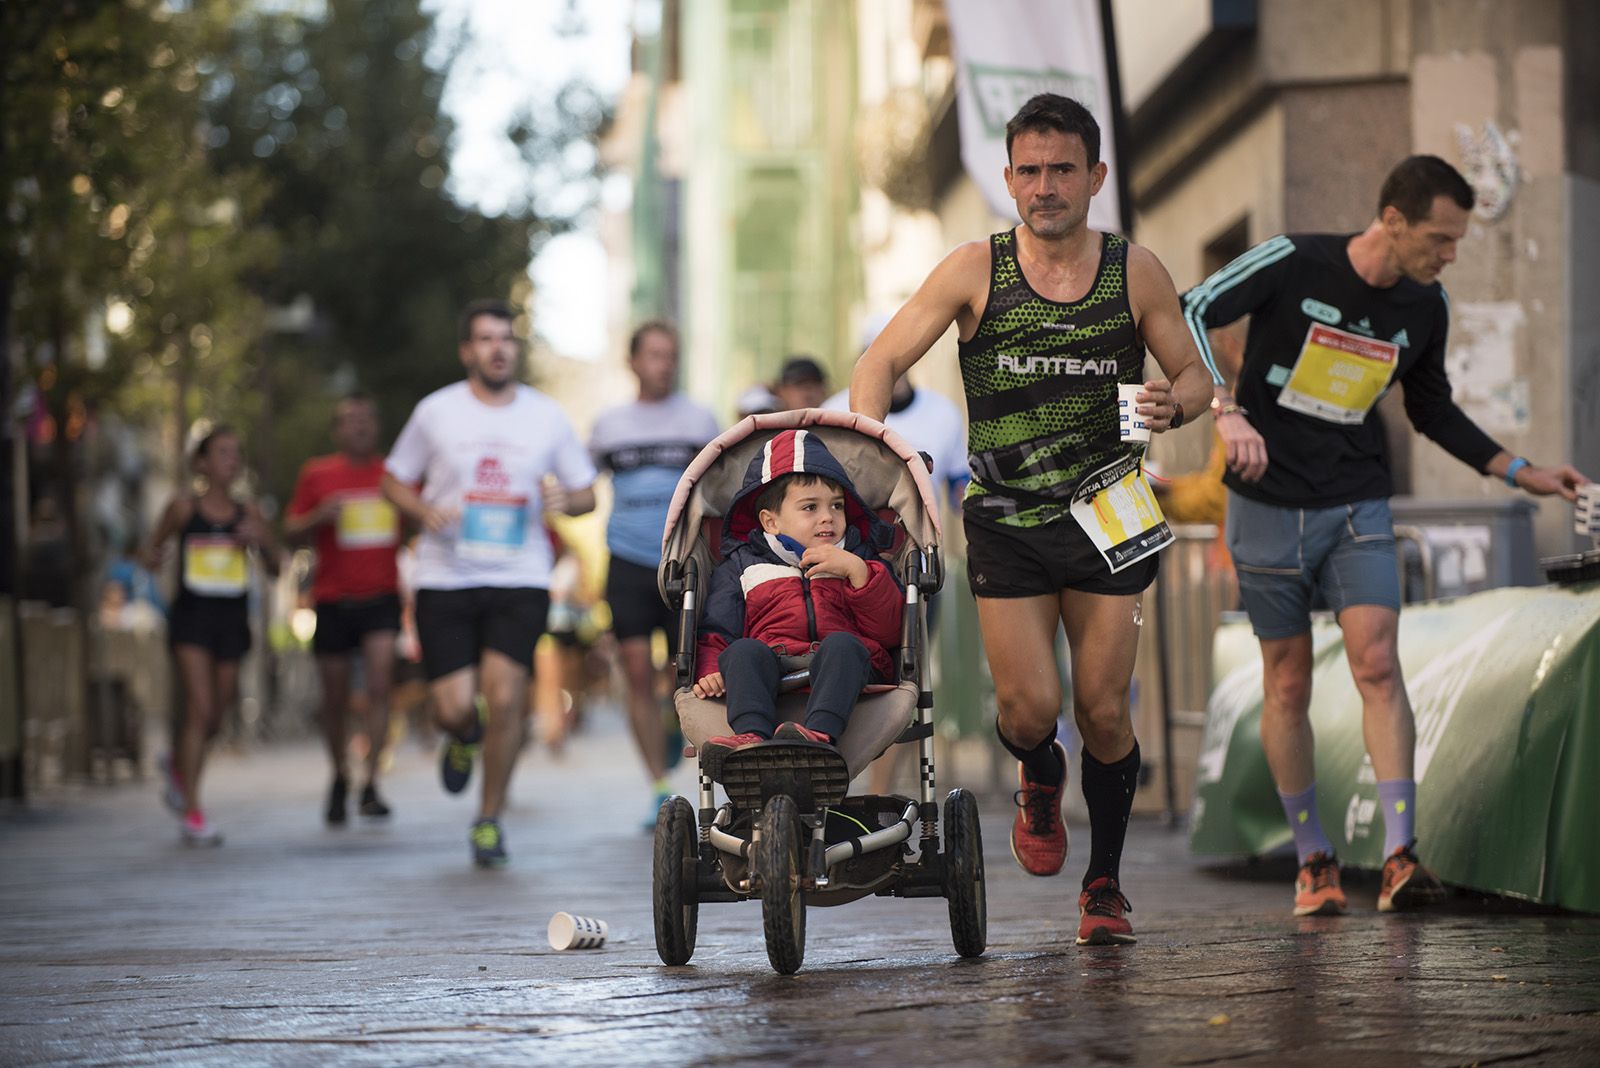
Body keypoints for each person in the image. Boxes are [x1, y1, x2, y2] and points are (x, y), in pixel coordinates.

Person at [1181, 154, 1591, 916]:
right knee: (1288, 682)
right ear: (1392, 221)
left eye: (1457, 240)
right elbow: (1192, 307)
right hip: (1265, 508)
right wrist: (1221, 407)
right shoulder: (1294, 260)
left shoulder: (1424, 306)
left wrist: (1519, 470)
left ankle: (1401, 855)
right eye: (1440, 238)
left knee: (1376, 661)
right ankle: (1313, 860)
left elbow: (1431, 408)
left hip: (1355, 505)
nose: (1450, 254)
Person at [850, 93, 1214, 946]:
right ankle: (1040, 775)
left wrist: (1176, 402)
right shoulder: (976, 267)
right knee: (1027, 712)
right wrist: (877, 458)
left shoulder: (1136, 269)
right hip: (1009, 520)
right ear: (1008, 178)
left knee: (1106, 711)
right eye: (1029, 171)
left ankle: (1105, 887)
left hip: (1112, 512)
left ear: (1095, 176)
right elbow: (880, 362)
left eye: (1062, 170)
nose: (1045, 187)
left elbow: (1195, 375)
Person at [380, 299, 597, 867]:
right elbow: (392, 479)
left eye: (507, 338)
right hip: (445, 576)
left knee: (506, 700)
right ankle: (457, 735)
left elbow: (586, 493)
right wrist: (421, 511)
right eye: (486, 339)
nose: (498, 348)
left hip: (520, 576)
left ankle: (488, 819)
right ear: (466, 351)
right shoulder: (435, 412)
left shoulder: (545, 416)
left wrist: (564, 500)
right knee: (454, 708)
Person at [691, 429, 904, 779]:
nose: (828, 517)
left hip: (845, 668)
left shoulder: (859, 559)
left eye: (837, 505)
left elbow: (891, 631)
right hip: (773, 664)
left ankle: (819, 735)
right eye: (810, 507)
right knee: (742, 651)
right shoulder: (744, 566)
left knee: (842, 645)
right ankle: (752, 738)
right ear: (770, 521)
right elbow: (718, 628)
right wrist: (710, 669)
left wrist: (859, 574)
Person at [589, 320, 720, 826]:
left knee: (684, 674)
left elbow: (719, 487)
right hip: (626, 559)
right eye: (654, 355)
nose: (663, 365)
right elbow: (583, 483)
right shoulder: (609, 425)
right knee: (637, 672)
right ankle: (658, 789)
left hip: (683, 562)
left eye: (670, 356)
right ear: (633, 361)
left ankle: (674, 723)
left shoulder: (698, 418)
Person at [141, 425, 282, 845]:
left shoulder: (250, 512)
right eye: (222, 453)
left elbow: (277, 567)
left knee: (217, 716)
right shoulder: (183, 508)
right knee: (201, 708)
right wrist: (153, 556)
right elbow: (149, 552)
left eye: (236, 453)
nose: (232, 461)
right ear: (201, 462)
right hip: (192, 619)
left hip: (232, 620)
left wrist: (260, 543)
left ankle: (179, 768)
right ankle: (193, 811)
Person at [285, 392, 401, 826]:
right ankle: (338, 775)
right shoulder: (317, 475)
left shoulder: (394, 475)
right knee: (333, 698)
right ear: (337, 430)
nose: (360, 427)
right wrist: (318, 516)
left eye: (367, 419)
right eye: (351, 420)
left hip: (382, 597)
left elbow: (421, 518)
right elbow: (290, 530)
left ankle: (371, 782)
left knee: (379, 687)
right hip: (333, 599)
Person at [824, 313, 969, 509]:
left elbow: (959, 486)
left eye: (897, 355)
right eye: (878, 358)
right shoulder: (833, 412)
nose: (888, 366)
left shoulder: (944, 412)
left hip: (922, 537)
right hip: (855, 536)